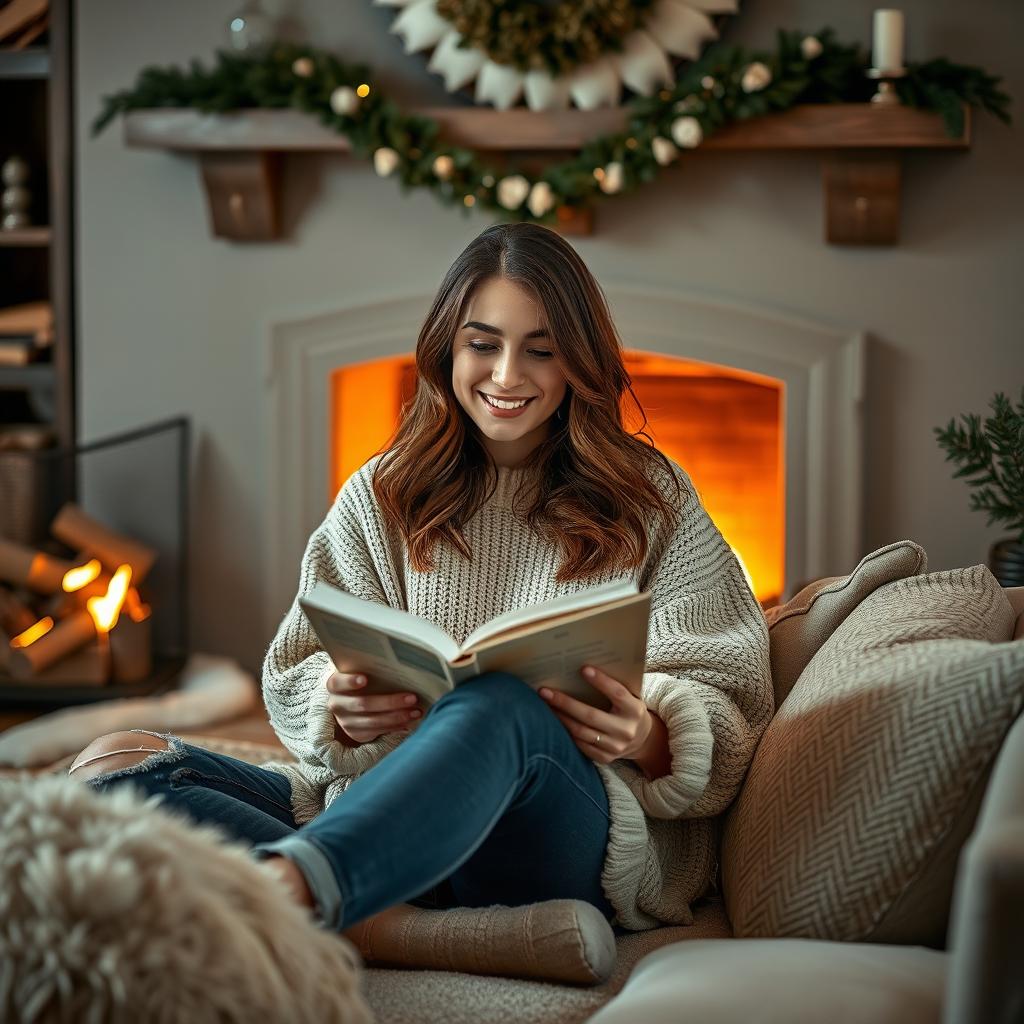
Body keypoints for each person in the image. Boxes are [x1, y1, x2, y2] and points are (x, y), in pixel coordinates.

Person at [70, 222, 773, 937]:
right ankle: (393, 926)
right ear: (447, 348)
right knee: (117, 772)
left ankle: (294, 893)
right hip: (392, 822)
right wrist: (336, 709)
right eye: (482, 344)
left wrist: (645, 736)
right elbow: (293, 668)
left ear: (578, 363)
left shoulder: (652, 496)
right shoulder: (384, 490)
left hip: (556, 838)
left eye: (541, 350)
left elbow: (736, 700)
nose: (506, 377)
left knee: (501, 708)